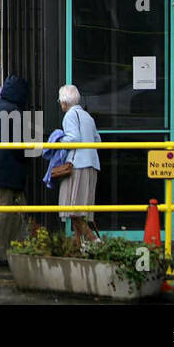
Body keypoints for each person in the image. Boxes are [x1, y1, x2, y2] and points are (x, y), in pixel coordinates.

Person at [0, 74, 29, 265]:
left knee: (12, 207)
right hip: (7, 168)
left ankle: (14, 247)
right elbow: (18, 145)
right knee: (6, 208)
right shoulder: (15, 110)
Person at [58, 84, 102, 246]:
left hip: (76, 166)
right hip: (92, 164)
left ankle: (94, 240)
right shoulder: (87, 116)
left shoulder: (70, 115)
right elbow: (98, 140)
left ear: (64, 102)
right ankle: (78, 243)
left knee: (73, 209)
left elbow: (73, 138)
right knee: (80, 209)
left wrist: (58, 141)